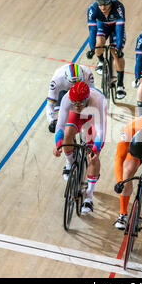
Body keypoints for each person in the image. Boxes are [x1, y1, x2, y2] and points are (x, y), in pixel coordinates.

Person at [53, 82, 107, 214]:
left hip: (94, 117)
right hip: (78, 117)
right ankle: (70, 163)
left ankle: (89, 197)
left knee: (93, 156)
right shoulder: (67, 98)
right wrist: (59, 144)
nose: (76, 106)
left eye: (80, 103)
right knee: (67, 134)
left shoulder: (97, 101)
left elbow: (101, 131)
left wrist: (95, 149)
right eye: (74, 103)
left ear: (87, 98)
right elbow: (60, 126)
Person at [86, 0, 126, 100]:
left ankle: (120, 85)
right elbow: (92, 31)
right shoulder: (92, 9)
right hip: (102, 27)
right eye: (100, 4)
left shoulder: (118, 7)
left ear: (111, 1)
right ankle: (100, 61)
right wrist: (92, 49)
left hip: (115, 29)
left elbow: (120, 29)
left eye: (106, 4)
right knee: (98, 43)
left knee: (116, 54)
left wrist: (118, 47)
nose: (103, 7)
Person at [46, 63, 95, 133]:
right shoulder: (56, 80)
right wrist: (52, 120)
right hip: (64, 92)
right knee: (61, 98)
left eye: (78, 82)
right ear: (66, 78)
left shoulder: (88, 74)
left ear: (82, 77)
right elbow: (50, 103)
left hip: (82, 92)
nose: (75, 85)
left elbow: (92, 95)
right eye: (72, 83)